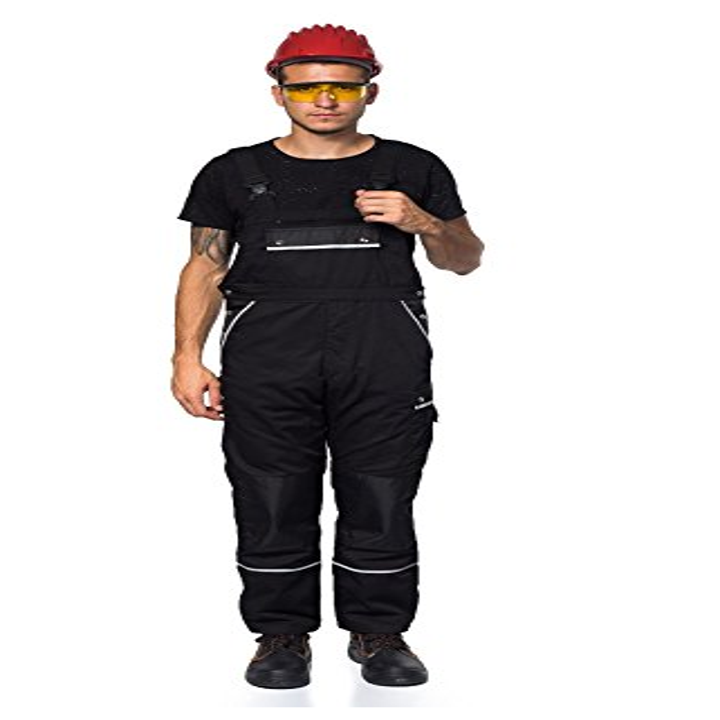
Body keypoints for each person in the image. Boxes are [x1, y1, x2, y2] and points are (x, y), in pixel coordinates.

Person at [172, 23, 484, 690]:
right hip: (267, 362)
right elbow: (204, 266)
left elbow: (465, 259)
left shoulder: (414, 168)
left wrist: (421, 221)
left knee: (382, 492)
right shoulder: (233, 173)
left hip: (384, 360)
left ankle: (379, 633)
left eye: (342, 87)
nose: (324, 100)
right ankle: (280, 637)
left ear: (370, 91)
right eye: (307, 87)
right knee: (270, 494)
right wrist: (185, 359)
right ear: (278, 92)